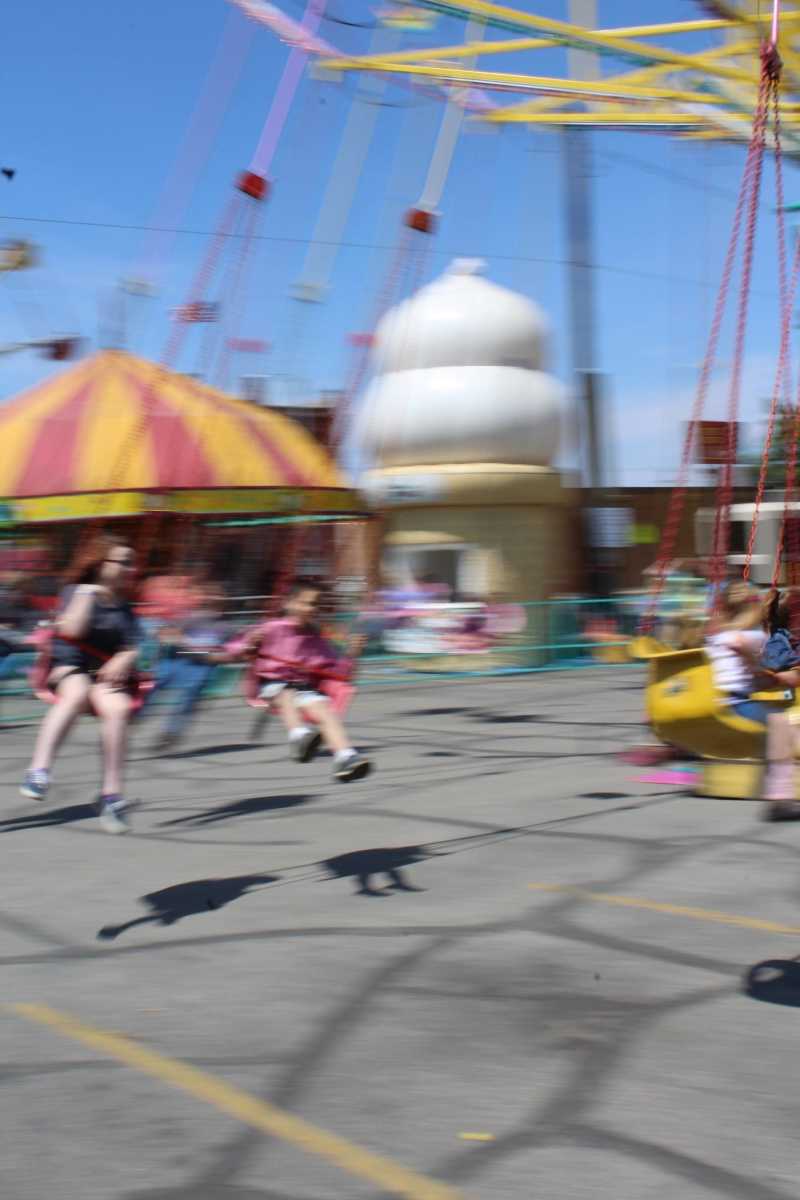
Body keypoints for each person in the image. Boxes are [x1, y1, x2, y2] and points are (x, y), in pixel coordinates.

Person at [21, 535, 141, 834]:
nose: (131, 569)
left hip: (103, 674)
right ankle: (39, 770)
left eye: (132, 563)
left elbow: (132, 645)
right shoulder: (76, 591)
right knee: (76, 693)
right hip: (70, 667)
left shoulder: (124, 606)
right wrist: (89, 593)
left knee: (119, 708)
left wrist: (123, 659)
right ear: (102, 563)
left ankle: (111, 795)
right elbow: (73, 630)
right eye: (124, 562)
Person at [227, 579, 371, 782]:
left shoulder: (316, 638)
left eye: (315, 605)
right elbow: (234, 648)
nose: (311, 609)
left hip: (303, 687)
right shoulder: (271, 627)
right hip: (271, 682)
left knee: (324, 711)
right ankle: (299, 736)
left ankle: (345, 757)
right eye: (306, 603)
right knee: (285, 693)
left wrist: (353, 653)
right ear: (289, 603)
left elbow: (339, 671)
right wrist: (250, 643)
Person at [705, 581, 800, 821]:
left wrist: (762, 675)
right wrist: (756, 664)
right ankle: (780, 799)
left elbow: (745, 677)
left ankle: (774, 781)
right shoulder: (753, 637)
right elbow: (749, 660)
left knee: (775, 720)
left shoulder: (714, 639)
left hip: (716, 699)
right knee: (782, 725)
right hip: (735, 702)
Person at [139, 587, 229, 752]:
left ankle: (171, 733)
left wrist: (218, 655)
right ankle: (138, 715)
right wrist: (184, 641)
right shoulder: (193, 617)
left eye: (220, 597)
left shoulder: (226, 626)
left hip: (203, 666)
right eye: (213, 596)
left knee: (190, 693)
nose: (216, 600)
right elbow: (167, 633)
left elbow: (229, 652)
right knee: (157, 682)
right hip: (181, 660)